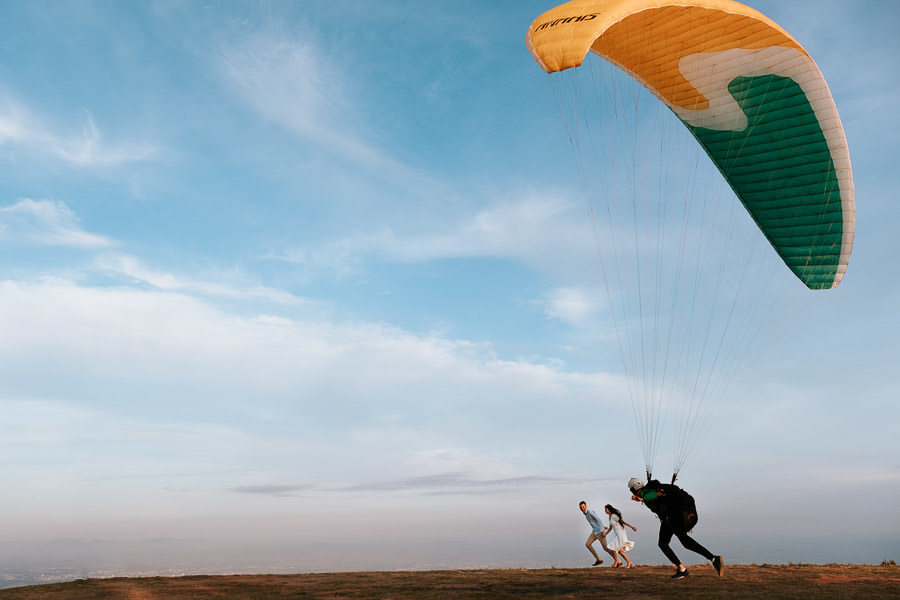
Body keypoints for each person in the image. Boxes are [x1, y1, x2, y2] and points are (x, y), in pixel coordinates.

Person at [628, 477, 724, 578]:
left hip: (673, 517)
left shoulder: (645, 492)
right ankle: (684, 568)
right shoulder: (653, 488)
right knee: (666, 543)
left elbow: (652, 495)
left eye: (631, 490)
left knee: (676, 542)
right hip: (669, 518)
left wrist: (642, 499)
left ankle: (711, 559)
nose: (632, 492)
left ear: (635, 488)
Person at [578, 500, 618, 566]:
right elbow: (596, 519)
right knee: (588, 544)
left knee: (605, 548)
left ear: (586, 506)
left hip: (600, 532)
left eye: (583, 507)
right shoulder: (585, 513)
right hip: (594, 532)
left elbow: (598, 519)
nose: (582, 508)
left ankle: (617, 560)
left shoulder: (589, 512)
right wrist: (602, 525)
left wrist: (602, 529)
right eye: (581, 507)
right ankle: (599, 560)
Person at [603, 504, 637, 568]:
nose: (605, 511)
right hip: (618, 534)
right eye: (605, 509)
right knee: (620, 551)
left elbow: (622, 522)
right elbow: (610, 528)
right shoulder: (610, 517)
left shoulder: (614, 516)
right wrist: (606, 534)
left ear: (609, 509)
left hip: (621, 534)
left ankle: (617, 561)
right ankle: (629, 562)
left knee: (612, 548)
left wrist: (632, 527)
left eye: (606, 509)